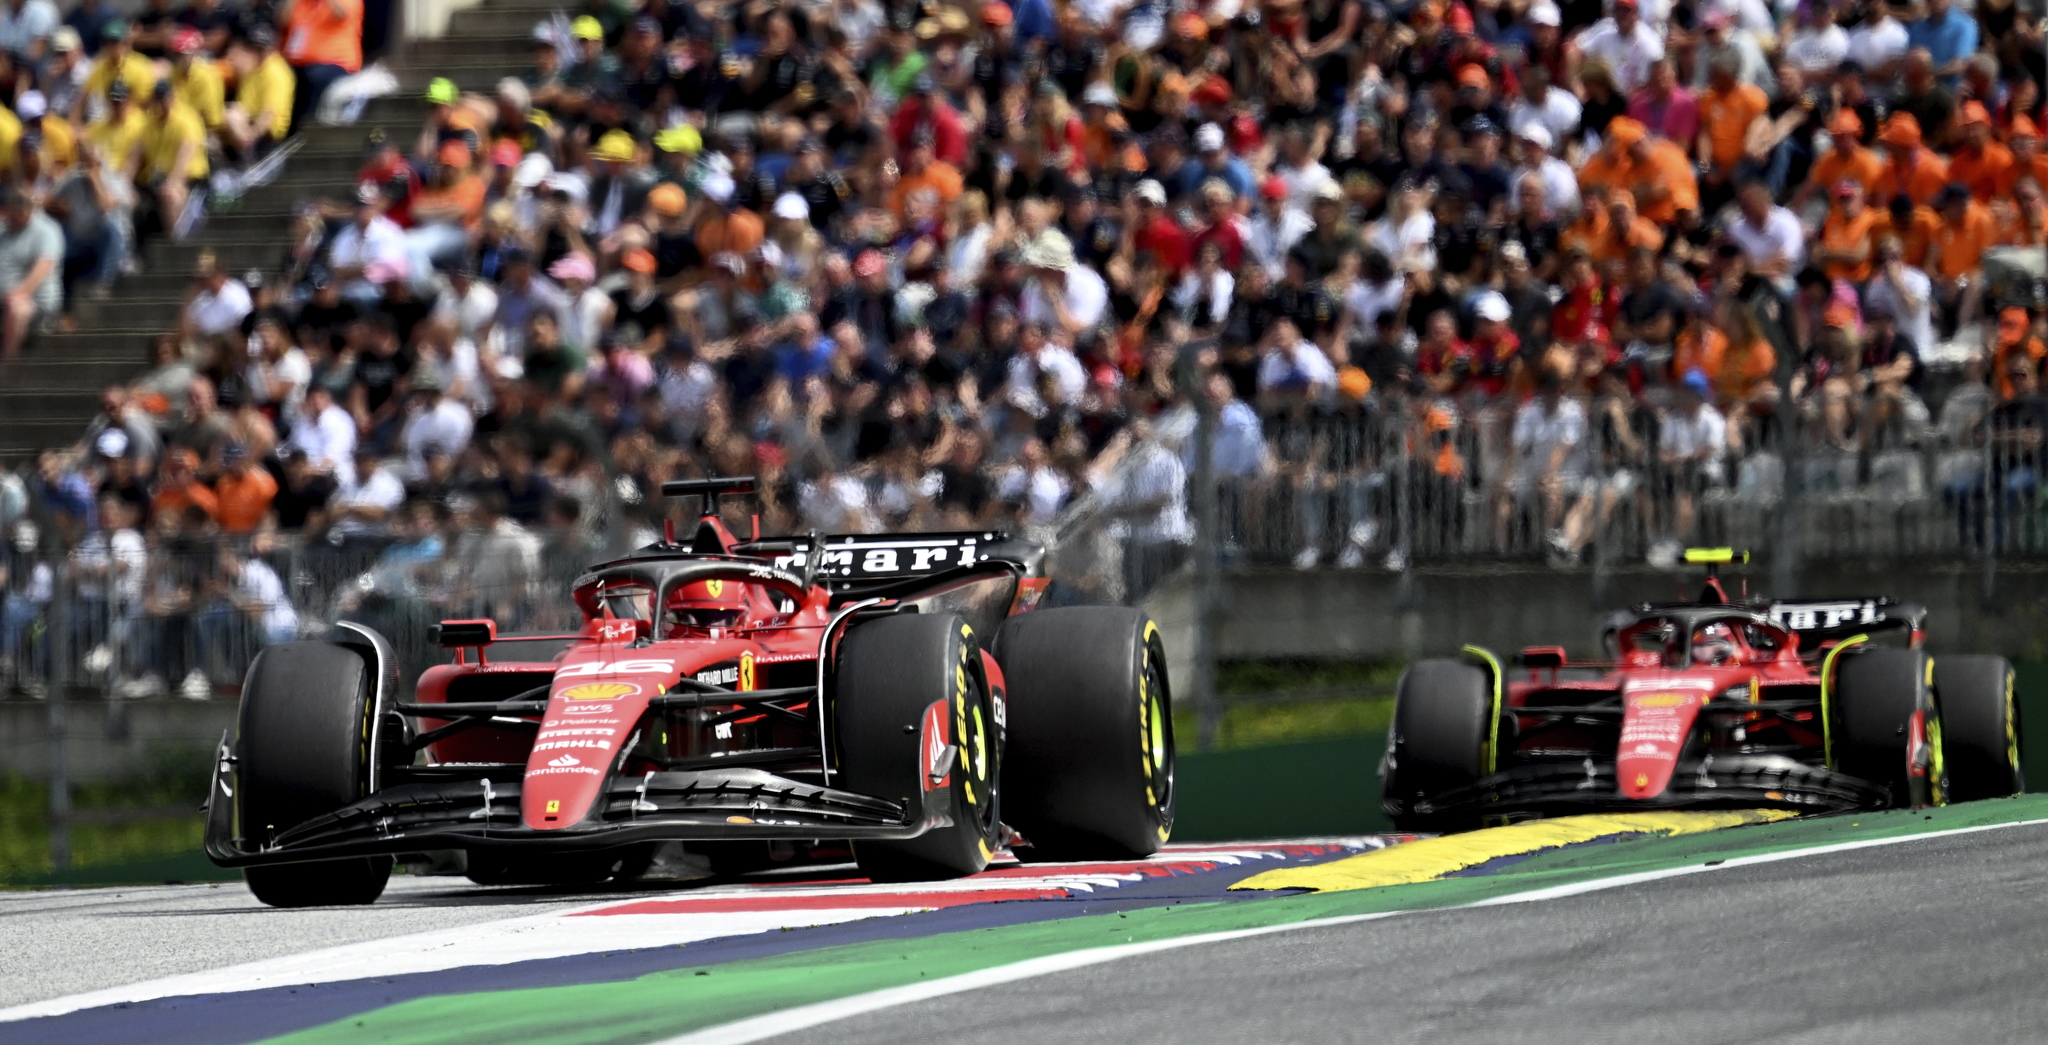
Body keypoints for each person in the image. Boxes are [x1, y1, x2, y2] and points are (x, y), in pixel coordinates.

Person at [0, 185, 61, 356]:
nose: (11, 218)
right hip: (4, 299)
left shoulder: (46, 231)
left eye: (16, 213)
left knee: (18, 309)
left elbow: (43, 267)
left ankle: (8, 365)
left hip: (34, 301)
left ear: (27, 210)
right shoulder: (4, 229)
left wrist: (18, 293)